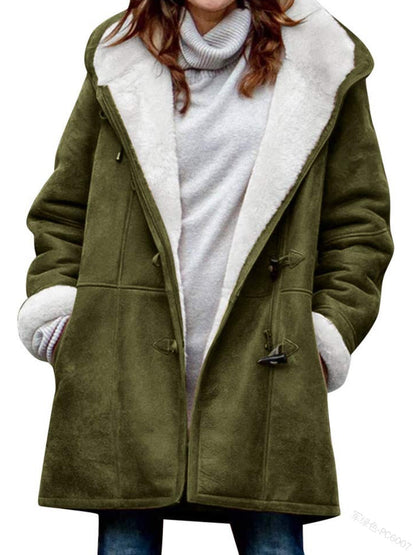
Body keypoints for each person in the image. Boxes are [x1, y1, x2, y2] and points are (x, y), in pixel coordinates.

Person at [16, 0, 394, 553]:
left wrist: (323, 334)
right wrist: (62, 320)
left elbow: (359, 224)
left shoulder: (322, 60)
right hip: (123, 364)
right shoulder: (120, 54)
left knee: (274, 544)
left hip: (267, 366)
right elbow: (63, 209)